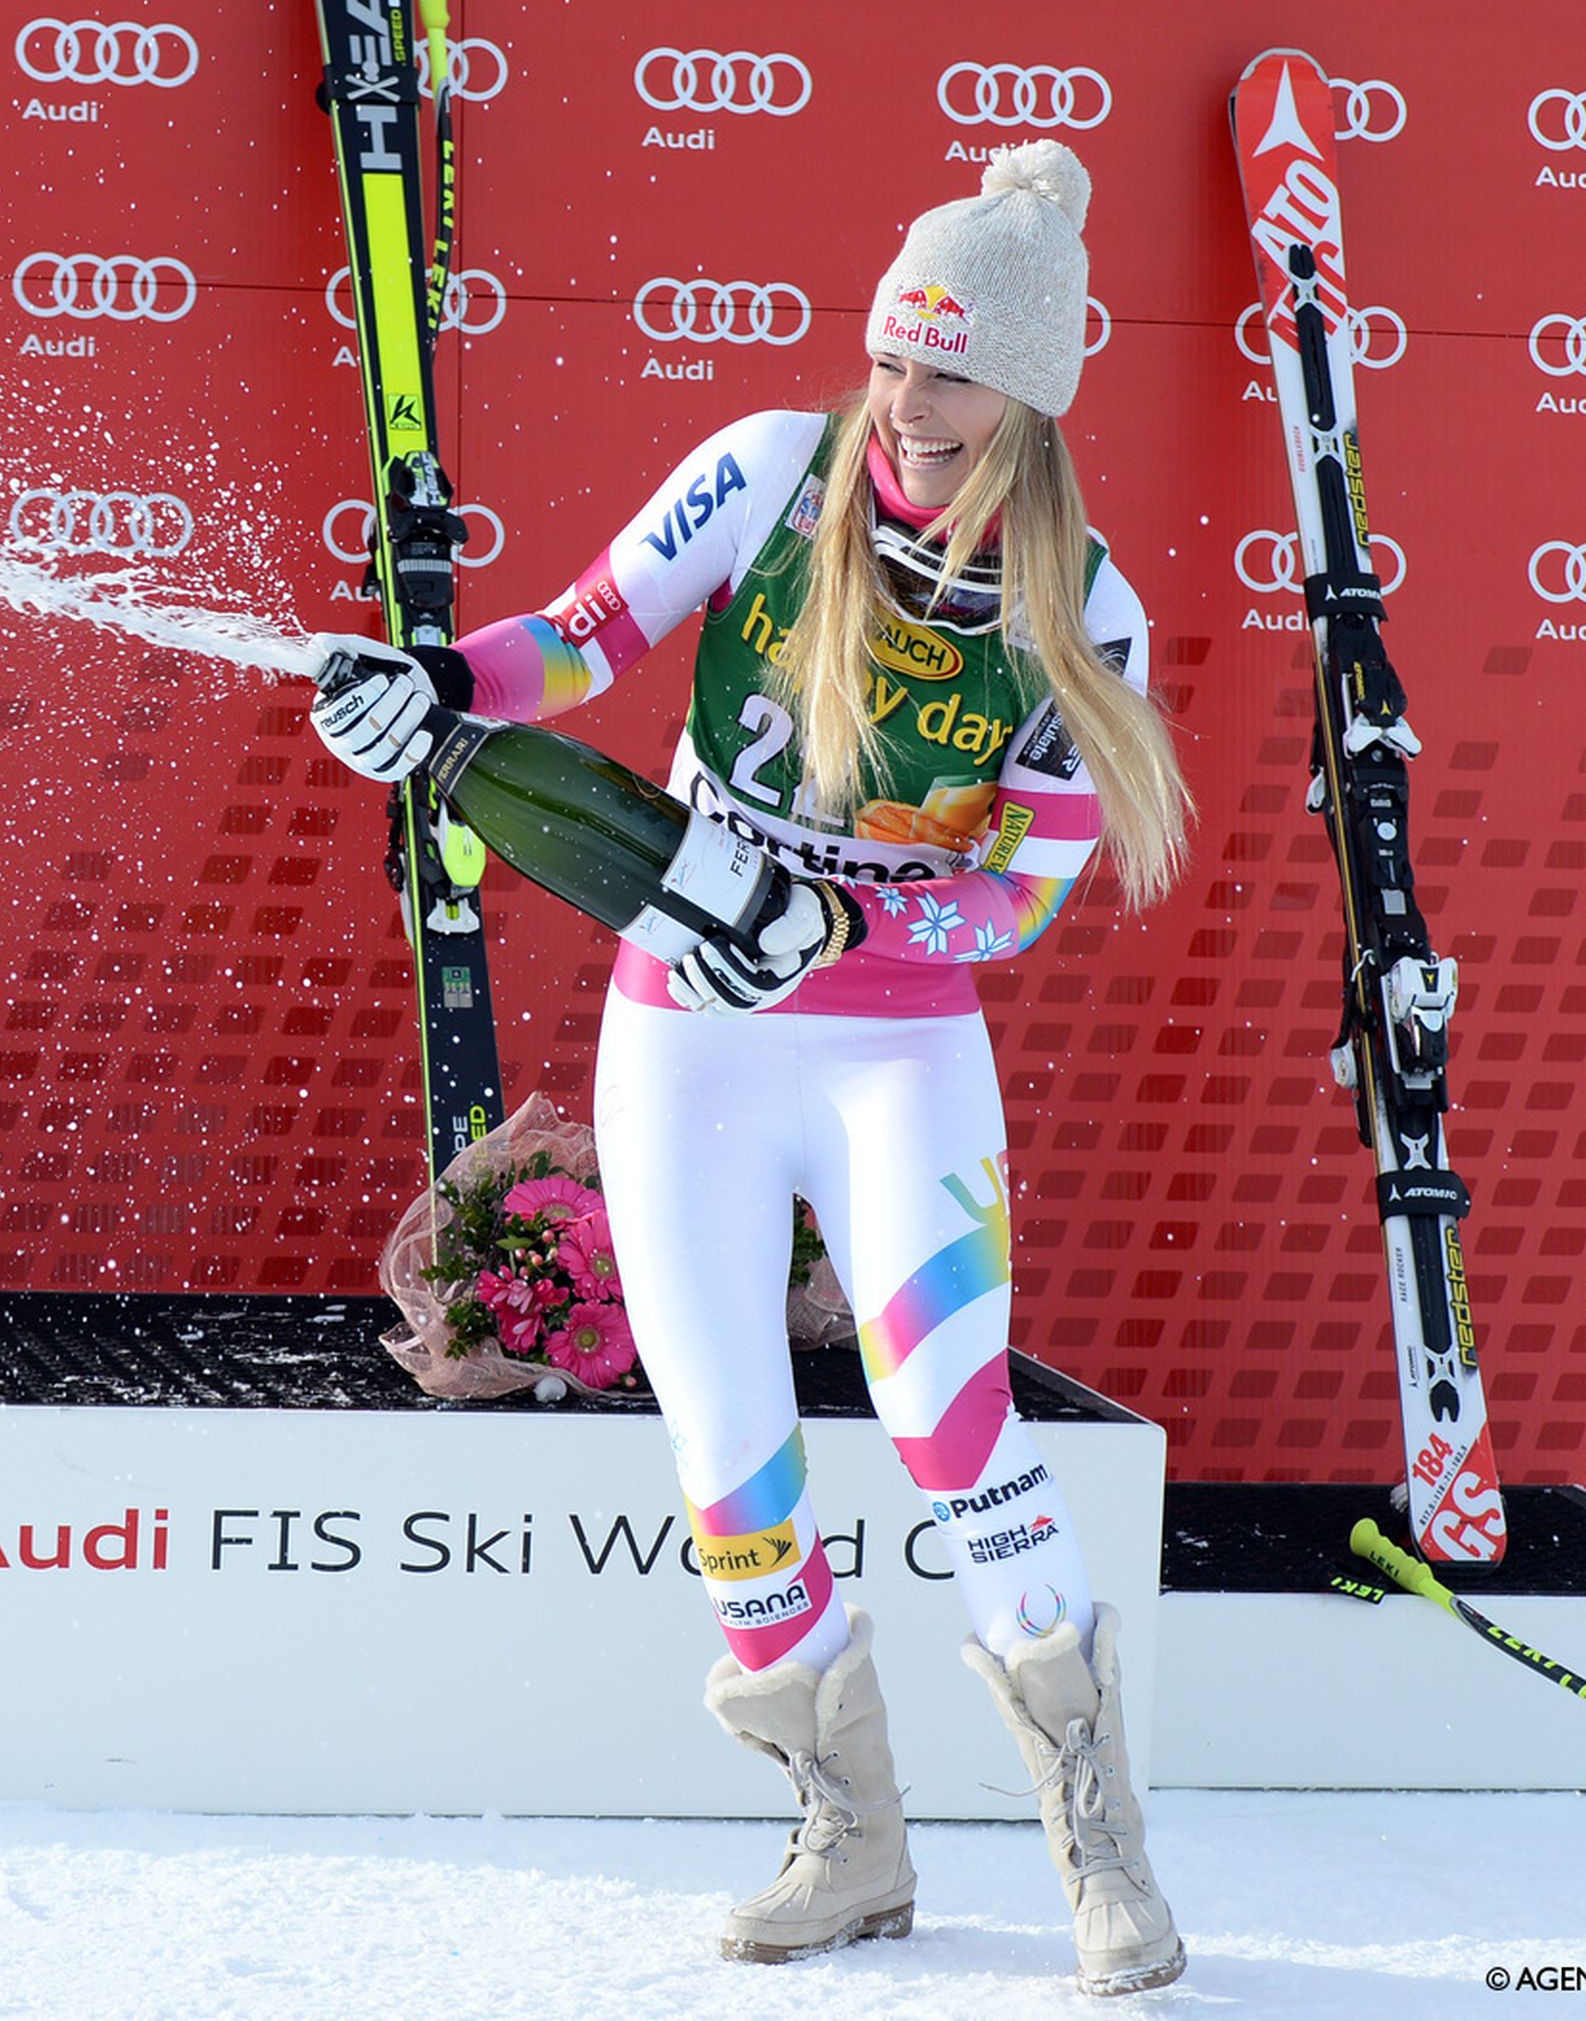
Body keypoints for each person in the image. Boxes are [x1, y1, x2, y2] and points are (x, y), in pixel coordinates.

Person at [309, 142, 1193, 1995]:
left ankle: (1099, 1846)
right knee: (727, 1454)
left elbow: (1020, 898)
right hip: (687, 1036)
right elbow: (578, 638)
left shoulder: (1076, 605)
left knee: (956, 1424)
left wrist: (839, 931)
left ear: (1025, 393)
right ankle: (848, 1840)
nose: (903, 396)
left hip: (895, 1063)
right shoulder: (766, 471)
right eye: (889, 352)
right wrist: (434, 685)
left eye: (946, 369)